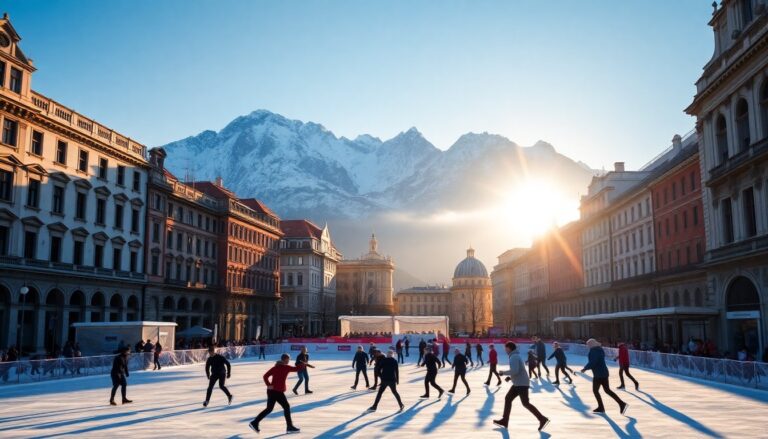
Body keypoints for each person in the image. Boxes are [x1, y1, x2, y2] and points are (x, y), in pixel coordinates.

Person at [493, 342, 549, 431]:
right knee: (508, 398)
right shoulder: (514, 356)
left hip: (521, 384)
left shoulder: (514, 357)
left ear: (510, 348)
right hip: (518, 383)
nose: (505, 350)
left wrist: (503, 373)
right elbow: (517, 370)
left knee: (525, 403)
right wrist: (510, 377)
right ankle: (505, 420)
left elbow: (515, 370)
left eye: (506, 348)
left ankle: (542, 419)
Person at [249, 354, 303, 434]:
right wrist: (303, 364)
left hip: (271, 391)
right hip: (277, 391)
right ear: (285, 359)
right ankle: (289, 426)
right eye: (288, 359)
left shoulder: (275, 367)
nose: (288, 361)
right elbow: (296, 369)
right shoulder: (286, 367)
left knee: (269, 409)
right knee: (286, 407)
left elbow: (265, 376)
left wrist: (269, 385)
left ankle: (254, 422)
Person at [581, 338, 628, 414]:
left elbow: (593, 362)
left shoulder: (594, 351)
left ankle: (601, 407)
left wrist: (585, 368)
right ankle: (621, 403)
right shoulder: (599, 349)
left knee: (596, 391)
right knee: (607, 390)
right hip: (604, 373)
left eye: (588, 345)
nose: (588, 346)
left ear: (592, 344)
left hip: (598, 374)